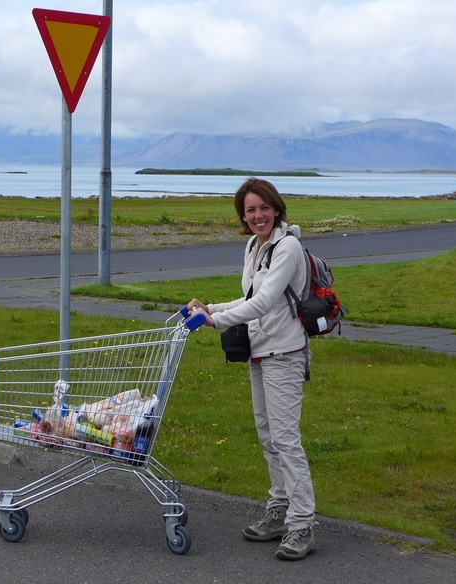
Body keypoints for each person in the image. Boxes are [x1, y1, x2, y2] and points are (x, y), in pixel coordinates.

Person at [188, 177, 316, 561]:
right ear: (242, 216)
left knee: (286, 440)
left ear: (276, 208)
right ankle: (279, 510)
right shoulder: (253, 246)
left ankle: (302, 524)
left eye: (263, 207)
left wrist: (214, 321)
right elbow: (249, 297)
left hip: (285, 353)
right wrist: (211, 308)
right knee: (268, 437)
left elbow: (265, 301)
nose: (257, 215)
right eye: (250, 210)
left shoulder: (287, 246)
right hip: (259, 352)